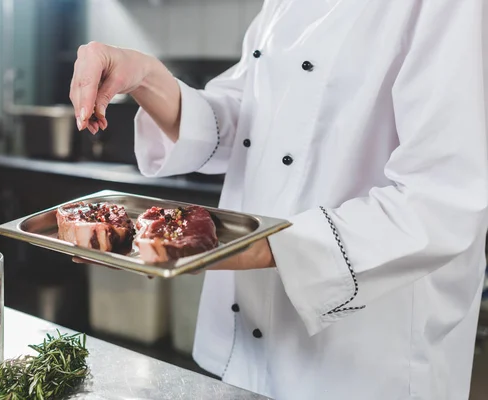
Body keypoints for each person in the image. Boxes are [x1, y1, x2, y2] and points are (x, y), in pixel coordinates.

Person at [69, 1, 488, 399]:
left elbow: (442, 203)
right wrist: (144, 76)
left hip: (369, 359)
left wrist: (230, 247)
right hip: (253, 344)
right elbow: (245, 118)